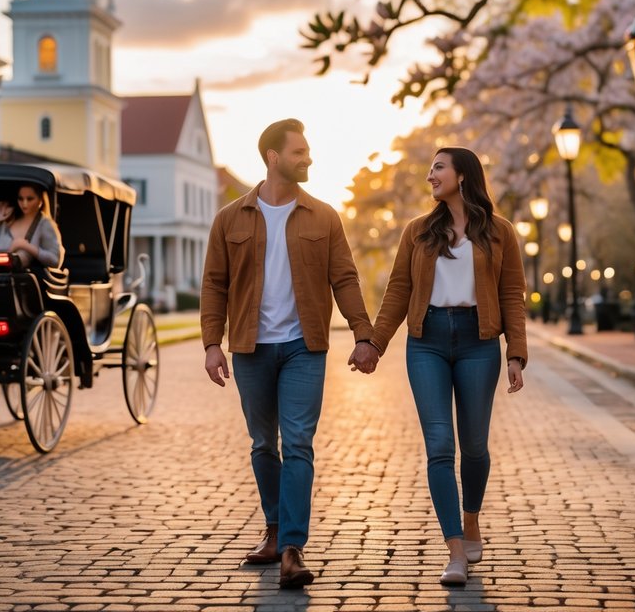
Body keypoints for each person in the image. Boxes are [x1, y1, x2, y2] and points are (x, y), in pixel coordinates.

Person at [201, 118, 379, 590]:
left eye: (308, 151)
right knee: (263, 444)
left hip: (304, 347)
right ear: (273, 157)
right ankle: (275, 530)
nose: (308, 158)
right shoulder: (230, 218)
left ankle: (293, 549)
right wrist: (211, 344)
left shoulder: (323, 216)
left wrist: (364, 335)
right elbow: (215, 284)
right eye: (299, 152)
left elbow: (345, 278)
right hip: (251, 347)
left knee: (298, 442)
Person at [359, 146, 527, 586]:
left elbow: (512, 295)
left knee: (474, 446)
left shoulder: (500, 232)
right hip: (426, 342)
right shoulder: (418, 231)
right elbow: (398, 290)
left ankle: (471, 518)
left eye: (438, 167)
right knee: (439, 445)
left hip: (479, 342)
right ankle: (455, 549)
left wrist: (515, 354)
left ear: (463, 176)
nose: (430, 175)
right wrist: (375, 343)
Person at [0, 183, 63, 269]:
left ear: (41, 200)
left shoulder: (44, 224)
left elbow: (55, 260)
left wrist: (26, 246)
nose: (24, 204)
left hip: (23, 279)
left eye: (30, 199)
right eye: (20, 199)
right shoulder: (7, 220)